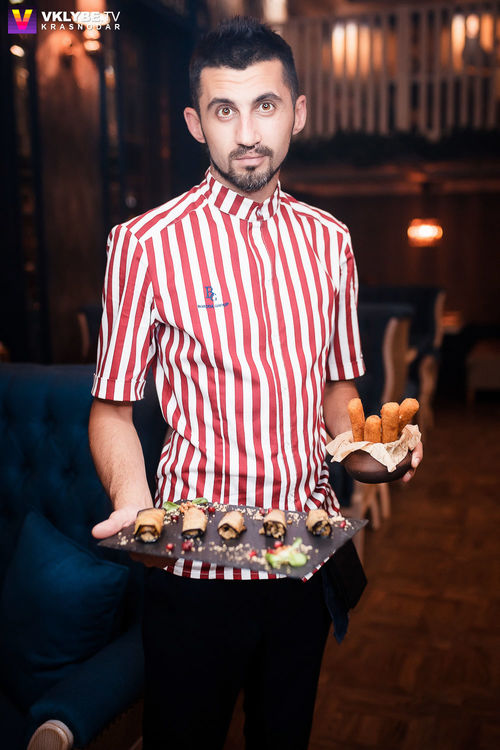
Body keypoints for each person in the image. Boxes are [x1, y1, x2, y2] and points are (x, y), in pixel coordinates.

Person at [89, 16, 422, 750]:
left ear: (297, 112)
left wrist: (373, 457)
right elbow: (111, 409)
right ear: (195, 123)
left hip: (304, 557)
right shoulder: (144, 244)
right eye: (224, 110)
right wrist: (133, 503)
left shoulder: (331, 242)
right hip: (192, 568)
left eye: (264, 106)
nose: (246, 134)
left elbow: (338, 395)